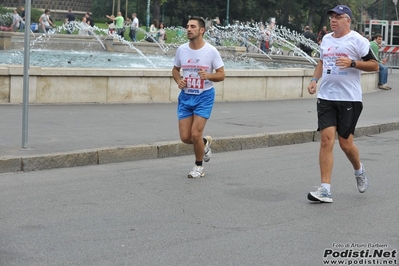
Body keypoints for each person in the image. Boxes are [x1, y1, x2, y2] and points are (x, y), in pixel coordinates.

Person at [307, 5, 378, 203]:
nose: (333, 20)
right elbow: (322, 62)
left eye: (338, 17)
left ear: (348, 20)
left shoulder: (357, 40)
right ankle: (325, 189)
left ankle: (359, 170)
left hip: (349, 99)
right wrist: (314, 80)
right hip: (326, 97)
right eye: (332, 16)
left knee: (346, 144)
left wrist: (352, 63)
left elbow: (374, 65)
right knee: (326, 140)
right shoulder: (327, 39)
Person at [172, 16, 225, 178]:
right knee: (185, 138)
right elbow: (175, 70)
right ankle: (204, 143)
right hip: (186, 97)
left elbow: (221, 75)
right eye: (187, 26)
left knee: (195, 134)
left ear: (201, 30)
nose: (188, 29)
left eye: (193, 26)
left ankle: (198, 166)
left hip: (204, 97)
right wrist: (179, 81)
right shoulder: (182, 49)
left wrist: (208, 76)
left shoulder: (210, 51)